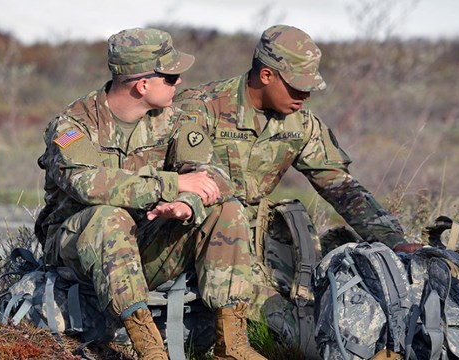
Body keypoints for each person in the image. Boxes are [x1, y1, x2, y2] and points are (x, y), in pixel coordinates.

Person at [175, 24, 422, 357]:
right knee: (296, 334)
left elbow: (341, 187)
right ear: (266, 75)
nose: (304, 97)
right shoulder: (201, 108)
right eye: (296, 87)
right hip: (202, 232)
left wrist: (393, 239)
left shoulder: (301, 124)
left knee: (322, 295)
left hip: (260, 236)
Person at [34, 28, 266, 360]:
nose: (180, 82)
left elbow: (212, 174)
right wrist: (170, 185)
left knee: (225, 210)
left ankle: (233, 344)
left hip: (143, 239)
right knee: (108, 216)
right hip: (78, 247)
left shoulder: (173, 120)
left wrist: (186, 204)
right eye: (171, 77)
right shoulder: (73, 127)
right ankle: (149, 348)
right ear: (142, 85)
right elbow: (89, 185)